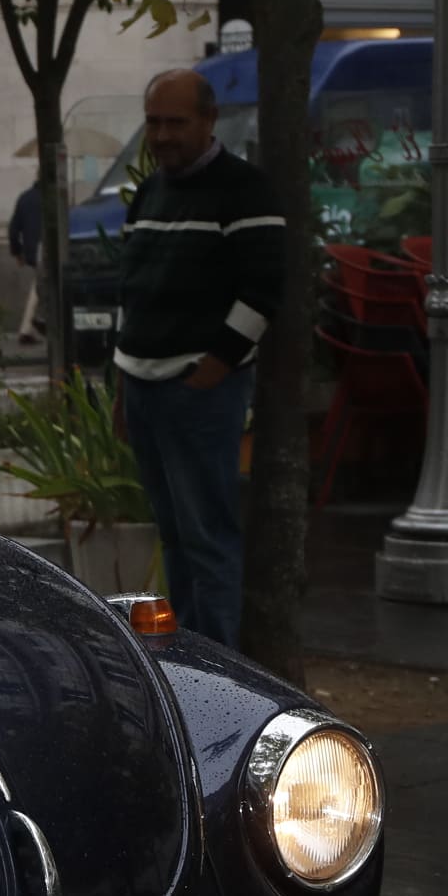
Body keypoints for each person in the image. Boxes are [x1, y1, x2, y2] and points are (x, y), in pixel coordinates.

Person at [115, 68, 286, 648]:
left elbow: (264, 290)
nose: (162, 136)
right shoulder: (148, 192)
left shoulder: (244, 190)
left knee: (207, 538)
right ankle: (185, 658)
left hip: (198, 392)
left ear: (209, 121)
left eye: (175, 123)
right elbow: (132, 290)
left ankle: (218, 668)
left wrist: (212, 370)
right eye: (153, 123)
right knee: (175, 537)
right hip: (144, 388)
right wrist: (122, 383)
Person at [8, 180, 46, 345]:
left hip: (31, 250)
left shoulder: (24, 198)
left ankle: (28, 328)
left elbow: (13, 228)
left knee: (39, 284)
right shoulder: (52, 199)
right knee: (42, 285)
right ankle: (32, 325)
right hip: (47, 248)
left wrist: (17, 251)